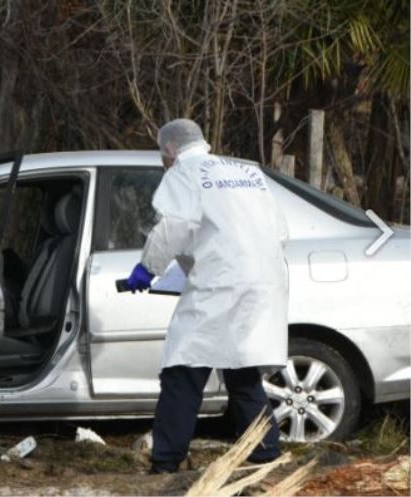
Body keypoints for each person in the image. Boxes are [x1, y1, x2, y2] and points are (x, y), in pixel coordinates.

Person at [127, 118, 289, 474]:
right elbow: (278, 229)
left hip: (221, 286)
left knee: (182, 368)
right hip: (263, 282)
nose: (163, 162)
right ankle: (265, 453)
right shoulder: (244, 172)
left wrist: (148, 268)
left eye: (162, 155)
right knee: (243, 370)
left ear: (170, 149)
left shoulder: (184, 173)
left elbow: (174, 227)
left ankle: (167, 460)